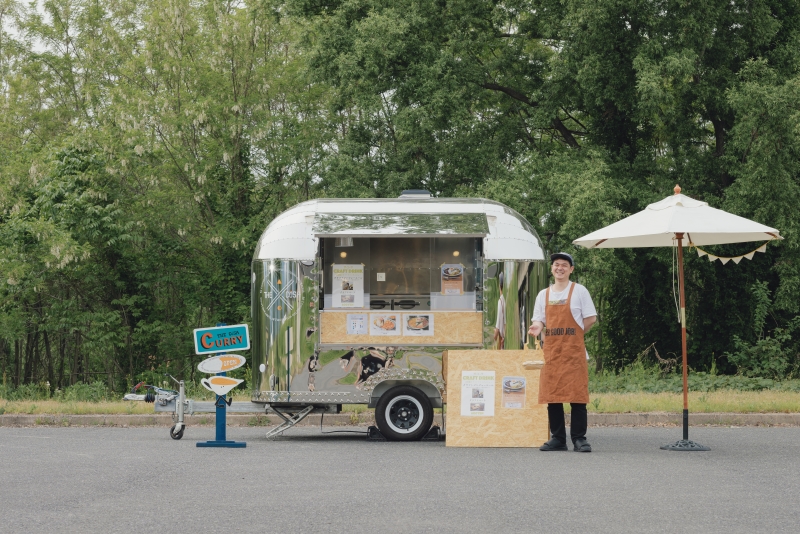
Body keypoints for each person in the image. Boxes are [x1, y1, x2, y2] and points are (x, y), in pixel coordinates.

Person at [528, 252, 597, 452]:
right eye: (556, 264)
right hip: (552, 353)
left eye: (564, 265)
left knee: (577, 397)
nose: (560, 268)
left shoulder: (579, 291)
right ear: (552, 269)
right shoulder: (544, 294)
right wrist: (537, 327)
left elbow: (591, 318)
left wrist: (574, 334)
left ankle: (579, 439)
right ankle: (558, 438)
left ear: (571, 269)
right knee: (553, 396)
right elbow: (538, 319)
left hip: (574, 353)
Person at [494, 271, 506, 350]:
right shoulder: (504, 300)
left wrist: (494, 337)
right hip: (503, 339)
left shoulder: (500, 301)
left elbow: (498, 327)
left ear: (499, 286)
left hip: (501, 340)